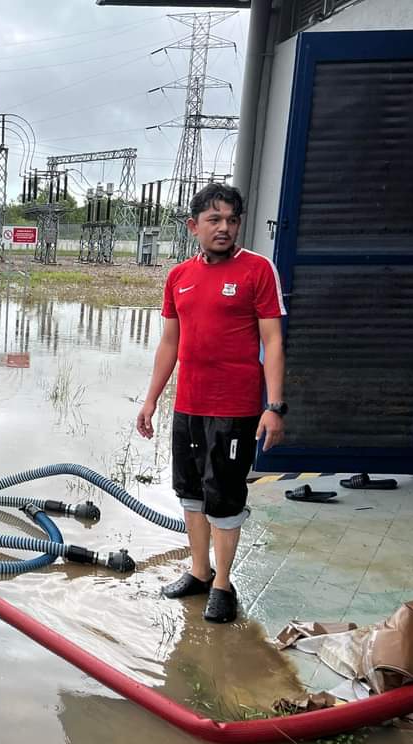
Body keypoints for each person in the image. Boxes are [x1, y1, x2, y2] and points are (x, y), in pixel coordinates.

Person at [135, 183, 286, 624]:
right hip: (189, 406)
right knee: (191, 492)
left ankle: (223, 584)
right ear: (193, 225)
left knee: (224, 496)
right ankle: (199, 574)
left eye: (232, 220)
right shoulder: (179, 277)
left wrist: (274, 405)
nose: (224, 228)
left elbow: (273, 341)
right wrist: (150, 401)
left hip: (235, 408)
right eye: (214, 219)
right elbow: (169, 343)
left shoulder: (257, 270)